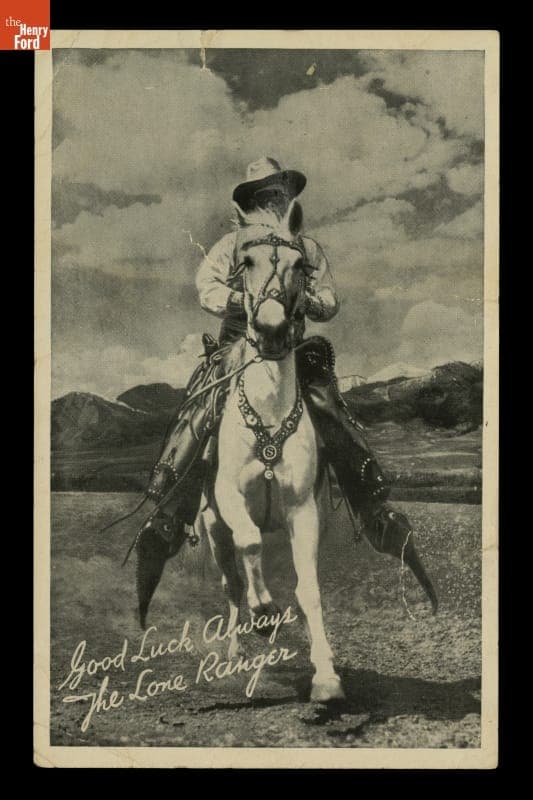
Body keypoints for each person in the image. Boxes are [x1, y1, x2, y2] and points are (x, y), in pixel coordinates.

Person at [134, 158, 437, 623]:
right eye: (264, 192)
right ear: (251, 200)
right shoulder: (231, 244)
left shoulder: (307, 247)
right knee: (200, 409)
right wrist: (246, 300)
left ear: (287, 196)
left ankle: (371, 507)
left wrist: (309, 301)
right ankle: (171, 513)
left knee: (328, 406)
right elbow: (205, 287)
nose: (272, 197)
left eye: (279, 190)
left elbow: (331, 299)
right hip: (238, 343)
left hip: (292, 349)